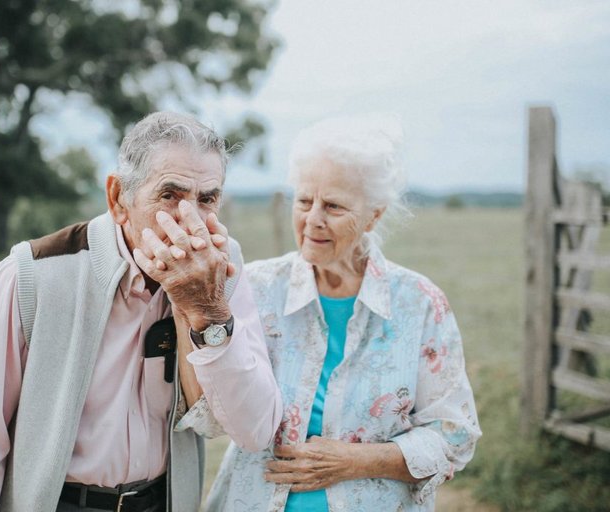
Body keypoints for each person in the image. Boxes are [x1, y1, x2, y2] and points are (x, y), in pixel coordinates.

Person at [0, 111, 282, 512]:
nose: (193, 222)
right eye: (171, 195)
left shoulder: (222, 266)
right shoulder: (29, 276)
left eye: (207, 199)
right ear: (119, 198)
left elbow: (254, 430)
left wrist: (207, 311)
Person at [204, 115, 481, 511]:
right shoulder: (256, 287)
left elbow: (455, 435)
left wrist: (352, 461)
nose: (313, 219)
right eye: (303, 201)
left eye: (333, 206)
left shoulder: (419, 303)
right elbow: (211, 411)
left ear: (374, 215)